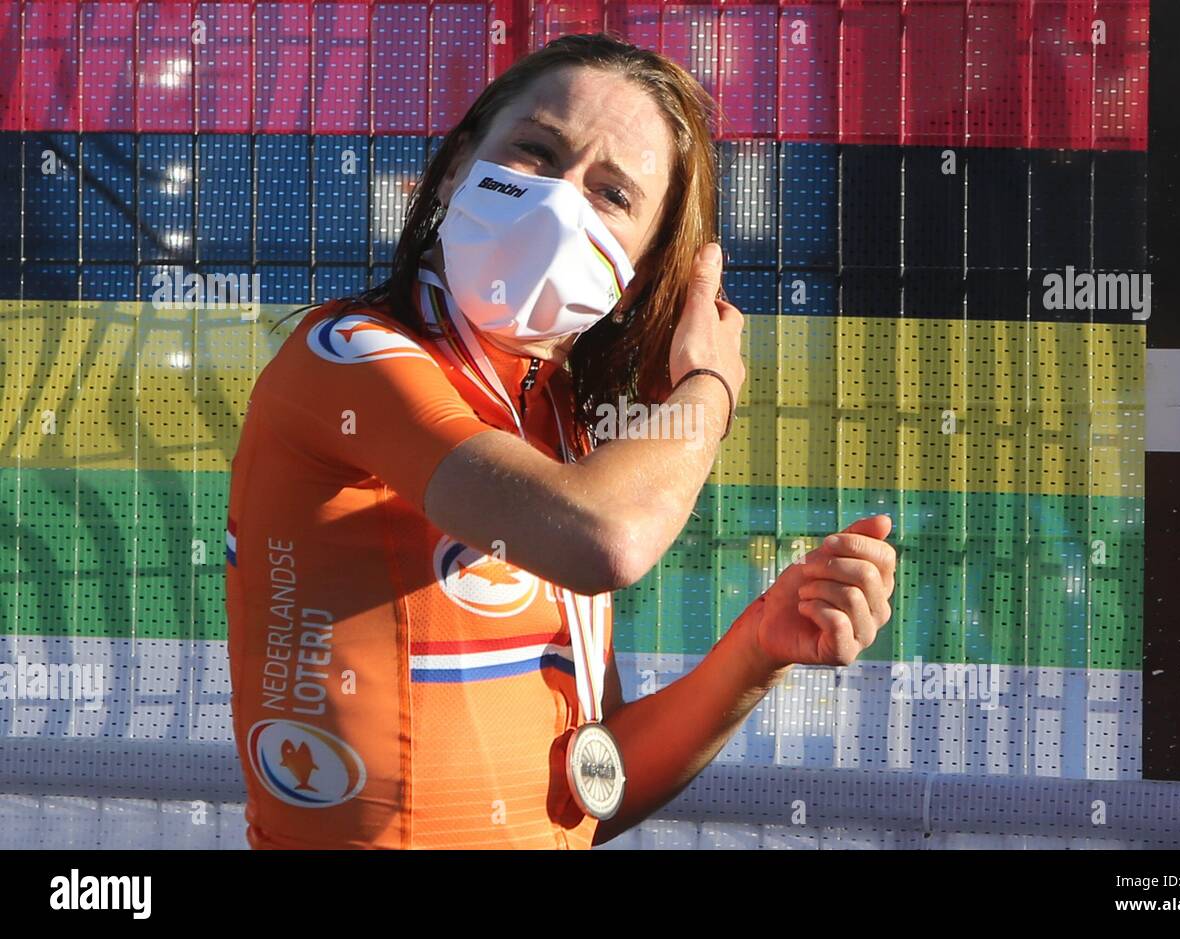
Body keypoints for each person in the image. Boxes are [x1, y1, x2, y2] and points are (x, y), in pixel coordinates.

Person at [224, 32, 896, 849]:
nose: (560, 200)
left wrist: (756, 648)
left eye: (612, 193)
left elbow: (591, 787)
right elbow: (604, 538)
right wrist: (711, 389)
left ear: (641, 273)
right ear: (454, 165)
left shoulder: (561, 423)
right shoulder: (348, 358)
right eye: (537, 152)